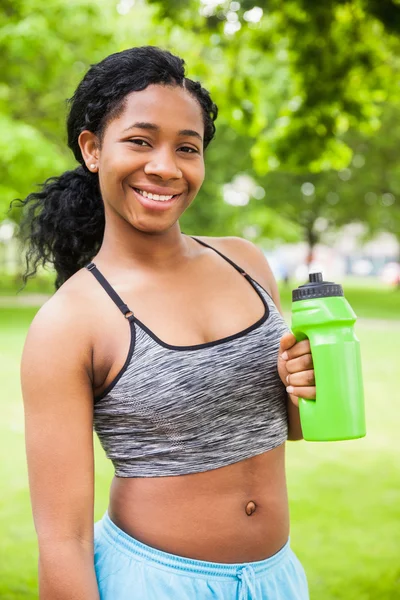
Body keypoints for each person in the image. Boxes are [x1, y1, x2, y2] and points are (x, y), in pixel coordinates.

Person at [16, 46, 315, 599]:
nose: (165, 167)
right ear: (92, 148)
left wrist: (303, 385)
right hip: (155, 582)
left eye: (187, 147)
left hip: (276, 577)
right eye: (140, 140)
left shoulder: (245, 262)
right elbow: (64, 540)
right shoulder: (70, 322)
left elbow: (285, 428)